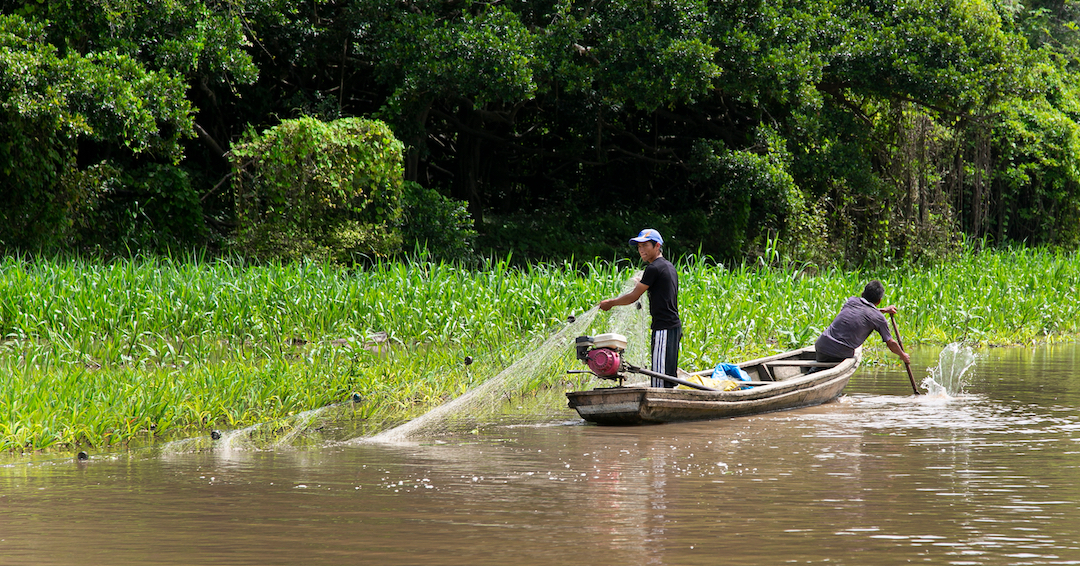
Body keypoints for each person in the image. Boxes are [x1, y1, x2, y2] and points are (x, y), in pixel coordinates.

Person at [599, 228, 681, 388]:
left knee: (659, 380)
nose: (641, 250)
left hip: (664, 328)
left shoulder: (653, 268)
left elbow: (633, 297)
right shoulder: (668, 266)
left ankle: (661, 408)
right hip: (672, 327)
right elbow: (658, 288)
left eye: (645, 246)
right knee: (668, 377)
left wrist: (611, 303)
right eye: (639, 247)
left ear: (657, 246)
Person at [814, 280, 911, 368]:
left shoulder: (851, 301)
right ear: (879, 301)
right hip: (840, 353)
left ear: (862, 294)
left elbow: (863, 312)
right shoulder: (878, 318)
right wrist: (903, 355)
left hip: (822, 345)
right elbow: (891, 343)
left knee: (819, 368)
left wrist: (883, 310)